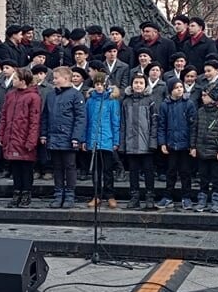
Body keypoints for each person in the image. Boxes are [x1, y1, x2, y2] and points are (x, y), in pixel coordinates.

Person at [41, 66, 86, 208]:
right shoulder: (51, 95)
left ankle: (70, 194)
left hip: (68, 137)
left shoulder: (75, 95)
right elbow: (45, 116)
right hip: (54, 137)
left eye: (56, 78)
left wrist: (76, 137)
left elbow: (80, 118)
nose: (53, 80)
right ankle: (58, 194)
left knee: (70, 166)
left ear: (66, 78)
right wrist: (43, 133)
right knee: (57, 167)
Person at [0, 68, 42, 208]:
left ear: (23, 81)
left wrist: (31, 140)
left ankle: (26, 194)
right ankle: (16, 193)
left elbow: (34, 121)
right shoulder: (10, 95)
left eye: (16, 78)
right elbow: (4, 116)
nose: (13, 81)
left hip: (24, 138)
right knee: (15, 168)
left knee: (26, 168)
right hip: (11, 137)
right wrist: (1, 135)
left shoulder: (33, 97)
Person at [156, 78, 197, 210]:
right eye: (176, 87)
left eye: (181, 87)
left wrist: (192, 145)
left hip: (185, 145)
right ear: (170, 90)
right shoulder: (165, 105)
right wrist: (162, 143)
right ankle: (168, 196)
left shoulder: (189, 104)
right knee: (171, 171)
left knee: (185, 172)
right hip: (171, 143)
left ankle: (186, 197)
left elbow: (193, 126)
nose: (179, 89)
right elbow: (161, 125)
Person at [83, 71, 121, 209]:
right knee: (96, 171)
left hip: (107, 139)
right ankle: (97, 195)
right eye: (97, 84)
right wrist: (84, 140)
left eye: (101, 84)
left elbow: (115, 122)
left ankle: (110, 195)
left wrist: (116, 141)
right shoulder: (90, 101)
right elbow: (86, 121)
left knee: (108, 170)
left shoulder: (112, 101)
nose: (99, 87)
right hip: (93, 140)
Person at [120, 74, 157, 210]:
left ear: (145, 85)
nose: (138, 85)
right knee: (133, 172)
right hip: (130, 143)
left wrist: (153, 142)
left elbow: (154, 123)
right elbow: (122, 124)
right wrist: (122, 144)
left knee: (148, 171)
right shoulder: (126, 102)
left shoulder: (150, 101)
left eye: (141, 83)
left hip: (146, 144)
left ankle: (149, 196)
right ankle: (134, 196)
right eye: (136, 82)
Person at [191, 82, 218, 214]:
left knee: (217, 177)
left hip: (216, 152)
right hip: (201, 150)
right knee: (203, 177)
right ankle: (202, 199)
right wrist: (193, 146)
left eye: (205, 95)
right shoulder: (200, 111)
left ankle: (216, 200)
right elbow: (194, 130)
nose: (203, 98)